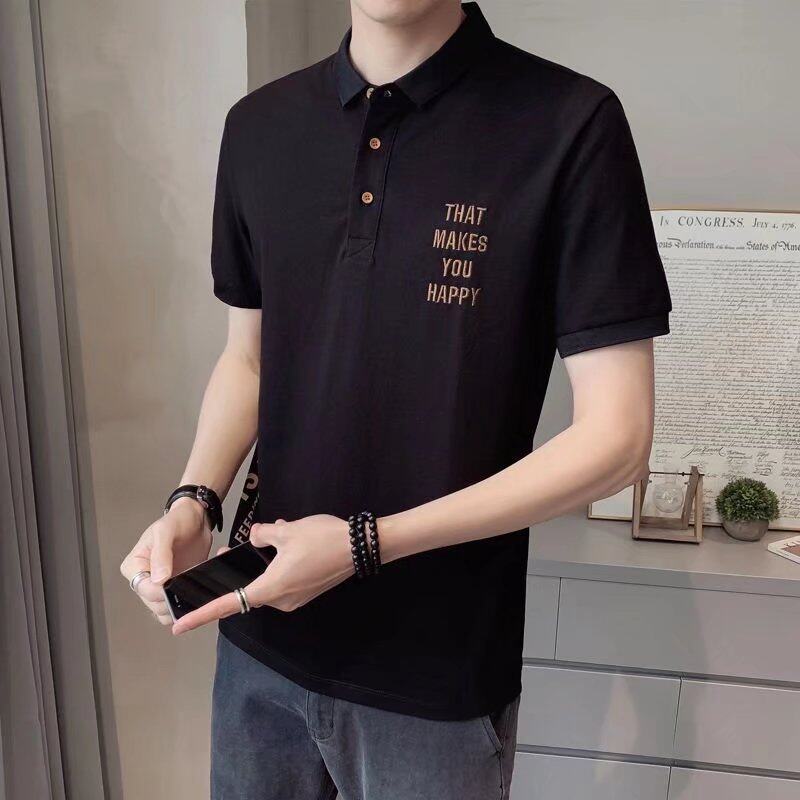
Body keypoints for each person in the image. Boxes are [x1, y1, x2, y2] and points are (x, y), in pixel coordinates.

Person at [120, 2, 672, 797]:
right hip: (257, 644)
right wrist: (193, 502)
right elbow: (250, 359)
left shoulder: (570, 124)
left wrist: (364, 545)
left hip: (434, 675)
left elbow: (617, 440)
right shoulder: (259, 127)